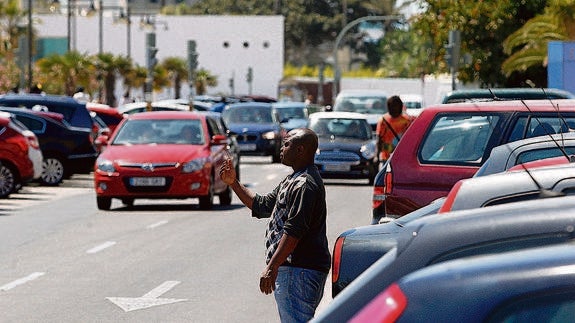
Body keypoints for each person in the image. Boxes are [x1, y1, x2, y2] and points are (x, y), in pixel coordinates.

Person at [219, 128, 331, 322]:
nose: (281, 148)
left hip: (299, 270)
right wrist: (233, 183)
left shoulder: (304, 184)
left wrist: (272, 267)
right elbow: (261, 206)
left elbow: (294, 231)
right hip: (296, 271)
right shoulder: (293, 179)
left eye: (287, 144)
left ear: (300, 150)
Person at [376, 95, 412, 163]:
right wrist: (377, 156)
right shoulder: (383, 120)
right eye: (393, 106)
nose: (395, 108)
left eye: (396, 106)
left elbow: (379, 140)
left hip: (398, 157)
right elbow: (379, 139)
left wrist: (377, 156)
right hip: (389, 158)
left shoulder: (406, 121)